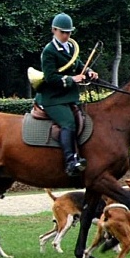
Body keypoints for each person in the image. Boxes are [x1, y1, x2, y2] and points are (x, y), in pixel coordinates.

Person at [33, 13, 98, 176]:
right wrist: (72, 79)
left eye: (69, 32)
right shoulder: (49, 51)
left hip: (69, 96)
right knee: (68, 122)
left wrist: (89, 72)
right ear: (54, 31)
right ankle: (70, 161)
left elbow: (78, 64)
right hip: (53, 98)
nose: (66, 35)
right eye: (63, 32)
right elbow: (50, 77)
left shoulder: (70, 47)